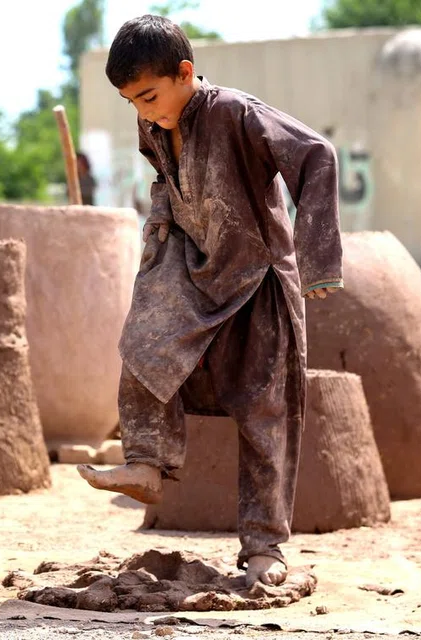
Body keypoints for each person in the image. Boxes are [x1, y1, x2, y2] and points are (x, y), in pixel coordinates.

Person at [76, 15, 343, 588]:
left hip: (259, 277)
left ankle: (266, 549)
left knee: (265, 413)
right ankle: (146, 460)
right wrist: (157, 243)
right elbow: (166, 186)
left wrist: (318, 257)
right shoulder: (153, 128)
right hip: (196, 268)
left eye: (150, 95)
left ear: (185, 73)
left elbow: (317, 155)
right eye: (131, 103)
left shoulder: (236, 113)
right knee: (144, 338)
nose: (145, 112)